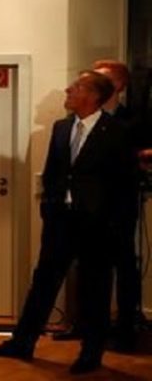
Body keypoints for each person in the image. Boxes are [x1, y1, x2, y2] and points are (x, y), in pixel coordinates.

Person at [0, 71, 136, 374]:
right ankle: (22, 343)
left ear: (92, 96)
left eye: (76, 87)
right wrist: (49, 207)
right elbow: (53, 172)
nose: (68, 90)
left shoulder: (117, 132)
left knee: (95, 289)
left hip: (97, 226)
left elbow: (125, 184)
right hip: (61, 221)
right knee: (43, 283)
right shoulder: (61, 128)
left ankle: (90, 354)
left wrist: (115, 225)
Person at [93, 59, 144, 351]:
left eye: (102, 78)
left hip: (120, 205)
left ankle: (125, 330)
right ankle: (88, 327)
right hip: (87, 206)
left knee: (124, 265)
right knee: (89, 266)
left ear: (119, 85)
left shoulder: (133, 120)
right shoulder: (84, 118)